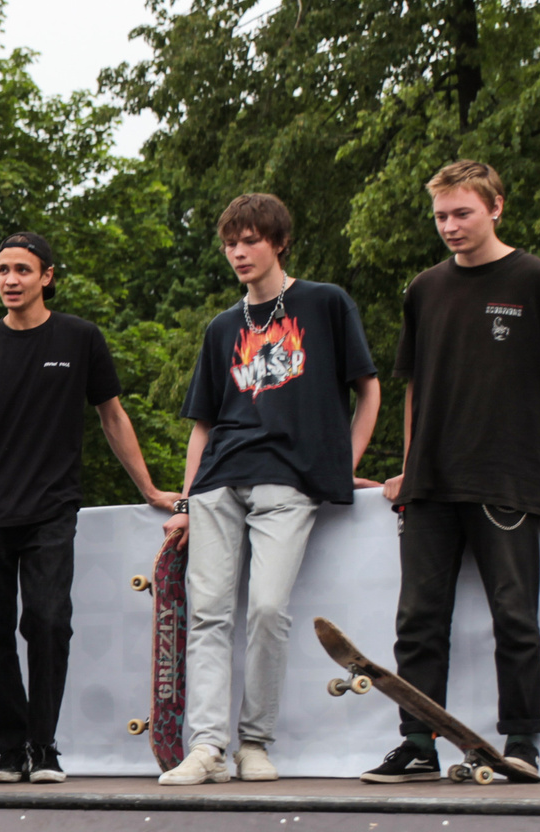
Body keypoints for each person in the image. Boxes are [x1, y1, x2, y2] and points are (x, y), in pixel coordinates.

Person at [368, 160, 540, 783]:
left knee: (514, 615)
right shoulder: (424, 289)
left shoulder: (538, 280)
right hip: (430, 483)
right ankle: (417, 743)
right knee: (418, 619)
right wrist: (406, 464)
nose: (449, 226)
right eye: (441, 216)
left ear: (496, 207)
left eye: (462, 213)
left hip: (507, 476)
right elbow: (415, 386)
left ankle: (522, 742)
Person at [160, 194, 383, 787]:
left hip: (288, 481)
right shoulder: (222, 327)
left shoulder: (324, 303)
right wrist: (185, 502)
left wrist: (339, 464)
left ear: (279, 242)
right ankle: (206, 746)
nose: (239, 252)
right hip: (217, 484)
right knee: (207, 615)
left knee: (266, 609)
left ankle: (254, 743)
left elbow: (369, 390)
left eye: (251, 240)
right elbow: (202, 425)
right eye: (231, 242)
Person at [0, 236, 178, 784]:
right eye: (1, 269)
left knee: (48, 622)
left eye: (22, 269)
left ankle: (43, 746)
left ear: (47, 276)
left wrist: (148, 487)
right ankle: (8, 750)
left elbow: (112, 417)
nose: (10, 279)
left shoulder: (79, 338)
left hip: (52, 509)